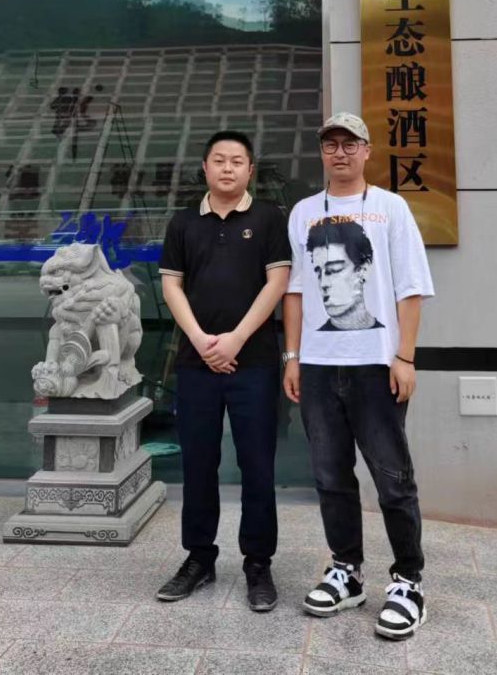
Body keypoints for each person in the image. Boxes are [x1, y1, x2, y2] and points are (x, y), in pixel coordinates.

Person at [283, 112, 434, 640]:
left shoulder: (391, 208)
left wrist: (405, 357)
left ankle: (408, 581)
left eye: (350, 144)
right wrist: (293, 357)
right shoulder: (304, 213)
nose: (340, 153)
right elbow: (295, 291)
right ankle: (346, 570)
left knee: (393, 479)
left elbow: (411, 288)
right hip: (319, 366)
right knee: (330, 476)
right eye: (331, 144)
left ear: (367, 151)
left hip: (376, 365)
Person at [156, 130, 291, 611]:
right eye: (219, 160)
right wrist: (199, 339)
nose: (228, 168)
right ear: (206, 168)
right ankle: (199, 558)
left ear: (250, 170)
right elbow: (172, 286)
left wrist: (235, 339)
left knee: (257, 465)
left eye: (237, 161)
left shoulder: (270, 218)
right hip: (197, 364)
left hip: (254, 363)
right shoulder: (183, 222)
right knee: (198, 464)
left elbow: (278, 282)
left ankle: (258, 563)